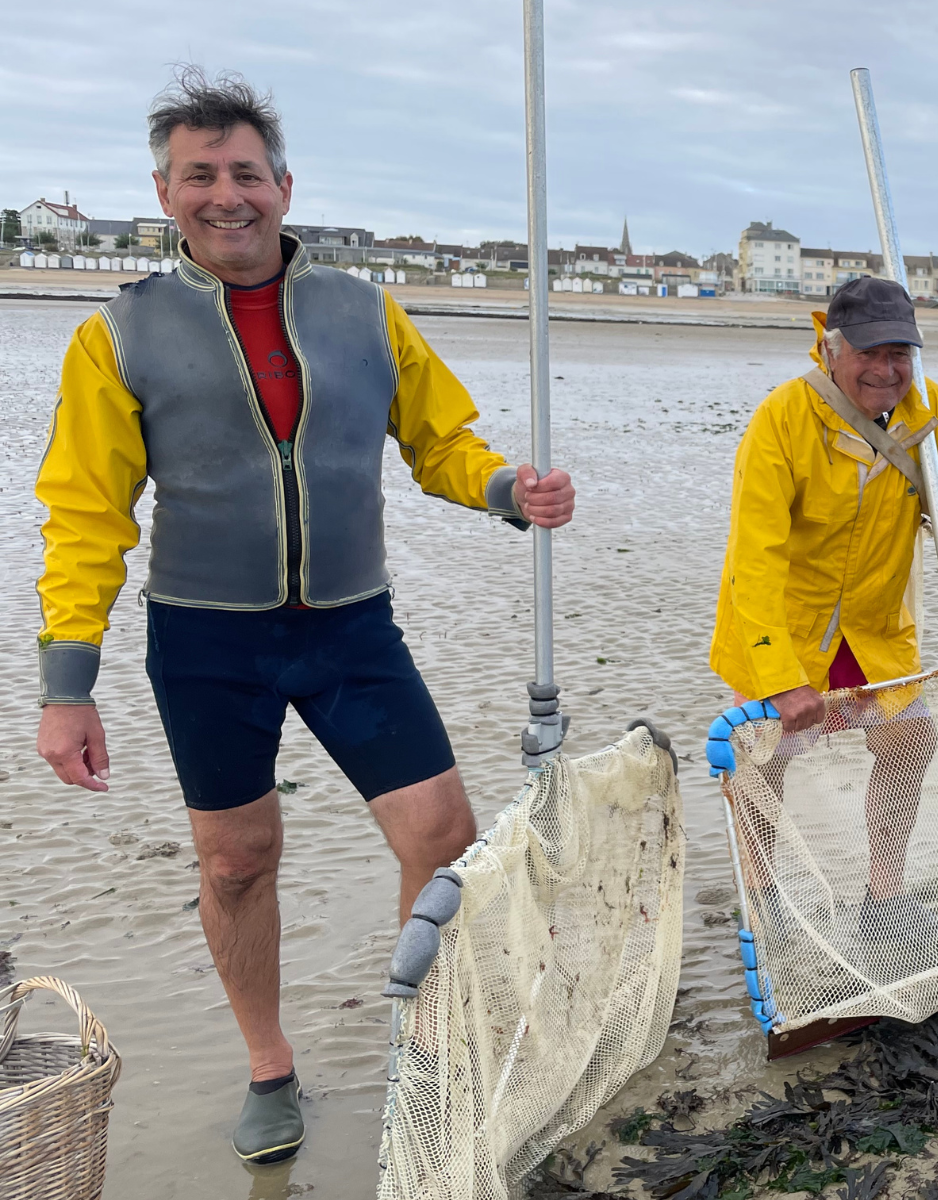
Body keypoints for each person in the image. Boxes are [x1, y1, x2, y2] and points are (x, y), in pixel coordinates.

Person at [32, 68, 576, 1164]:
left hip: (348, 627)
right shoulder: (119, 334)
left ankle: (425, 1048)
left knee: (442, 836)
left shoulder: (361, 308)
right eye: (200, 176)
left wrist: (506, 491)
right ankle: (269, 1067)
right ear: (164, 190)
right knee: (237, 861)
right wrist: (67, 684)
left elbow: (439, 440)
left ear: (284, 185)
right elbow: (85, 512)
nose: (224, 195)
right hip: (206, 637)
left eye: (245, 173)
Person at [710, 276, 938, 939]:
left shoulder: (931, 415)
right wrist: (780, 675)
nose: (887, 371)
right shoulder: (782, 419)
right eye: (870, 353)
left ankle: (883, 902)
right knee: (762, 765)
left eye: (900, 354)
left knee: (911, 739)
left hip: (876, 634)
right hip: (786, 637)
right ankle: (766, 902)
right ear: (831, 348)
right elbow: (755, 558)